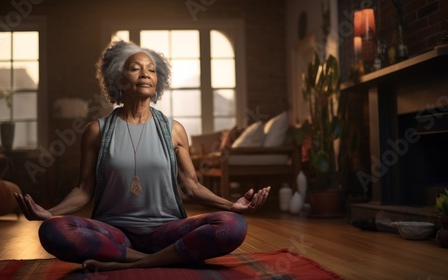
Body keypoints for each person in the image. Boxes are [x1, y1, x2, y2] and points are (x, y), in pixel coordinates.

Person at [14, 40, 271, 271]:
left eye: (151, 69)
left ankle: (130, 262)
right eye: (136, 67)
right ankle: (160, 259)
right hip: (114, 232)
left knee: (234, 224)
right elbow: (83, 189)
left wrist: (231, 205)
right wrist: (50, 212)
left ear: (158, 79)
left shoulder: (174, 130)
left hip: (166, 231)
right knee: (53, 230)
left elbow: (192, 186)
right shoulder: (96, 131)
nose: (146, 73)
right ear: (119, 77)